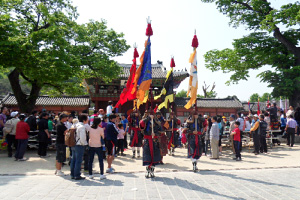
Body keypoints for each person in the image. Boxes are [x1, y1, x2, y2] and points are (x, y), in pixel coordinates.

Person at [140, 110, 161, 178]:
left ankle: (152, 171)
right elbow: (141, 124)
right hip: (147, 141)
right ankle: (147, 170)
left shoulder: (156, 121)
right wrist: (148, 118)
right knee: (147, 156)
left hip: (154, 141)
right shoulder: (144, 121)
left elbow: (161, 131)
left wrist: (155, 134)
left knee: (154, 156)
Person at [70, 114, 89, 180]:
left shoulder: (75, 125)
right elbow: (82, 138)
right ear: (84, 120)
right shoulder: (82, 127)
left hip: (73, 143)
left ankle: (72, 174)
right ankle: (77, 175)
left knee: (73, 160)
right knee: (78, 160)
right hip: (79, 145)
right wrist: (84, 144)